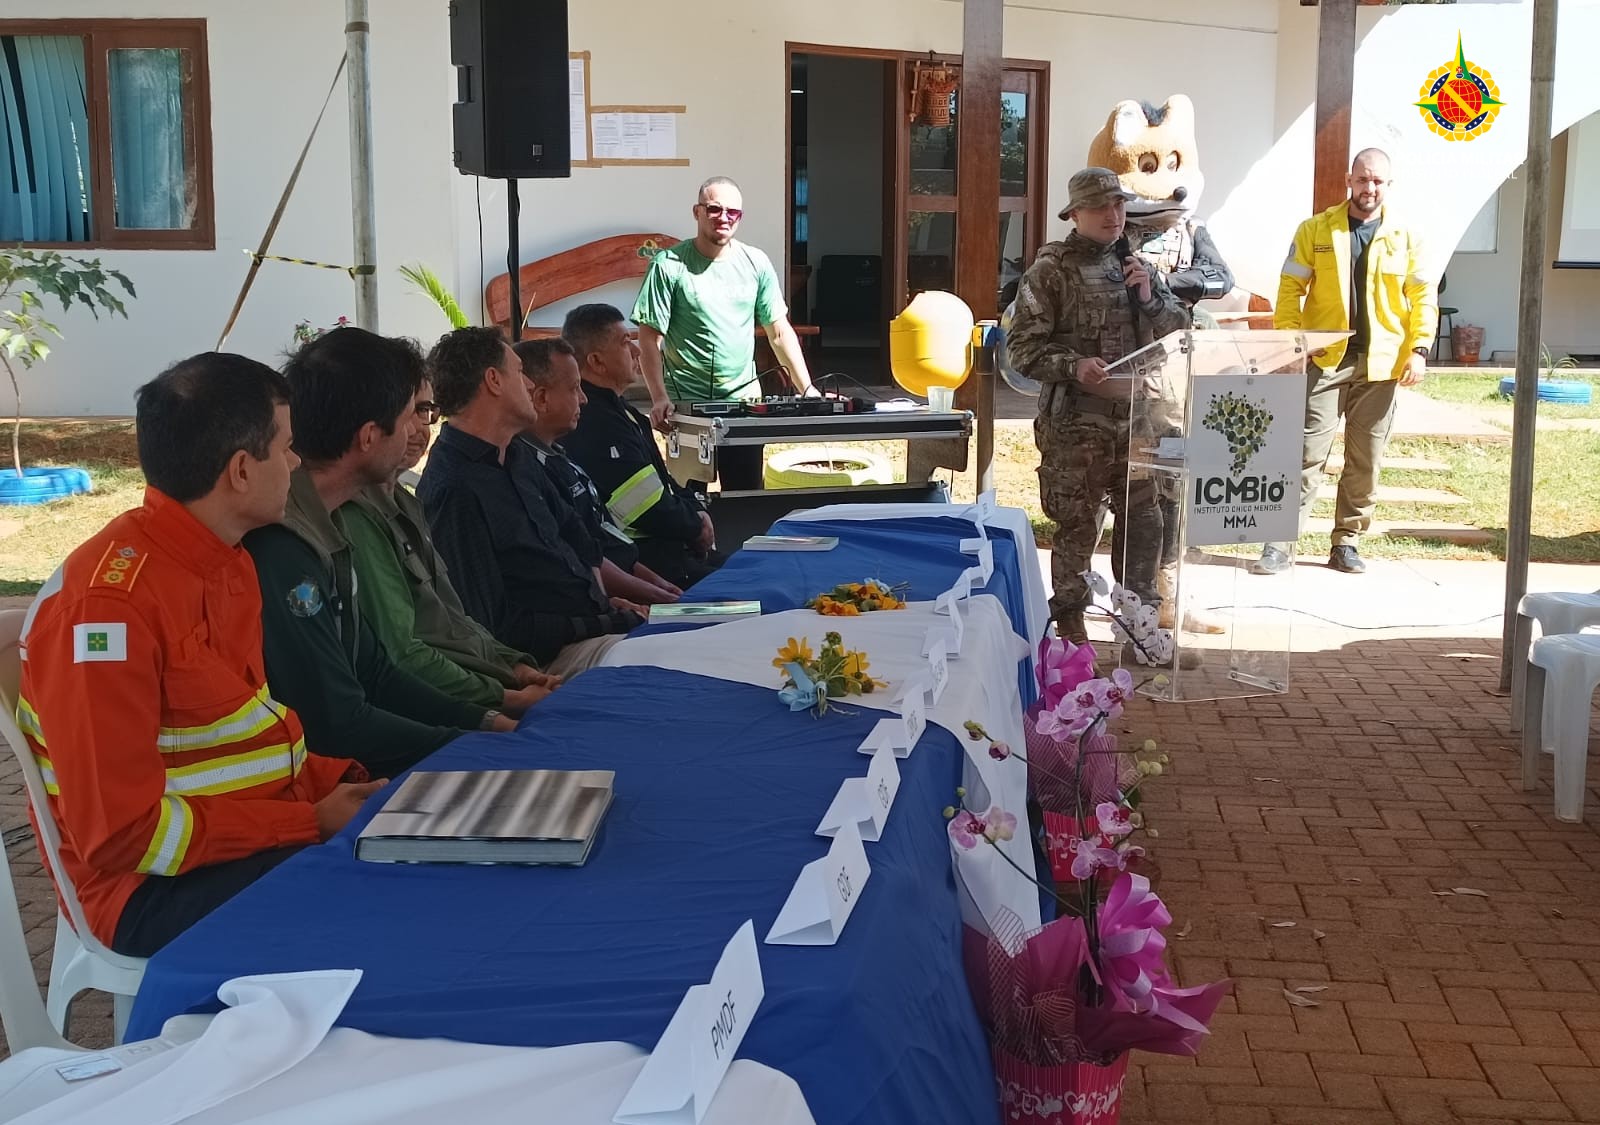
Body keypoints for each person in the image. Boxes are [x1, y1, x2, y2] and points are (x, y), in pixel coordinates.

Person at [15, 354, 384, 956]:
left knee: (411, 861)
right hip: (144, 891)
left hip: (238, 846)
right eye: (287, 448)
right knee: (376, 908)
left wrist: (349, 784)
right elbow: (121, 837)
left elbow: (247, 739)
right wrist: (307, 823)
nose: (295, 463)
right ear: (241, 469)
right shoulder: (106, 611)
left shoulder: (227, 562)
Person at [245, 328, 512, 783]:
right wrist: (477, 744)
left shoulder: (332, 521)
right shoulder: (285, 545)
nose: (418, 432)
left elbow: (377, 670)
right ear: (369, 436)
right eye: (412, 414)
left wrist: (489, 723)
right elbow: (336, 722)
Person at [1007, 166, 1190, 645]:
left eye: (1119, 205)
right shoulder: (1051, 271)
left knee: (1145, 521)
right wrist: (1074, 365)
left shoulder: (1138, 266)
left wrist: (1150, 297)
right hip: (1078, 426)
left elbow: (1181, 328)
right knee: (1077, 525)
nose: (1114, 215)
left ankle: (1141, 626)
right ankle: (1070, 630)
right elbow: (1022, 350)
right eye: (1101, 207)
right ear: (1076, 214)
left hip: (1140, 421)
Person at [418, 327, 643, 676]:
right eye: (520, 371)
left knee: (698, 635)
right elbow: (491, 625)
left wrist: (607, 606)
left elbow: (579, 543)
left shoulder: (518, 457)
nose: (527, 384)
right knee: (667, 661)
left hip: (595, 627)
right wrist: (601, 622)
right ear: (493, 380)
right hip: (540, 664)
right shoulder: (454, 487)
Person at [1255, 148, 1437, 576]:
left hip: (1382, 365)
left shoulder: (1406, 236)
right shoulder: (1316, 229)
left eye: (1378, 181)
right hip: (1326, 361)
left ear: (1388, 186)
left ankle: (1347, 541)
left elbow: (1423, 298)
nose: (1369, 188)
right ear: (1348, 179)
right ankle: (1280, 544)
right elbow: (1289, 288)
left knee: (1365, 458)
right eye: (1363, 179)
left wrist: (1419, 349)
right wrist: (1293, 341)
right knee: (1304, 453)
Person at [342, 375, 563, 714]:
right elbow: (406, 655)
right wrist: (504, 698)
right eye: (411, 412)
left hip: (497, 678)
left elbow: (456, 620)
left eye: (426, 411)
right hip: (457, 703)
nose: (418, 429)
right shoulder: (364, 515)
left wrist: (517, 669)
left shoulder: (406, 503)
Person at [631, 175, 816, 490]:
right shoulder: (668, 265)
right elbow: (649, 339)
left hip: (743, 405)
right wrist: (659, 398)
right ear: (697, 212)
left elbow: (779, 332)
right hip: (686, 407)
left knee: (745, 499)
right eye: (714, 209)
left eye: (733, 212)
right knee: (689, 505)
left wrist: (808, 390)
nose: (724, 218)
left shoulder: (755, 262)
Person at [561, 303, 725, 589]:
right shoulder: (595, 422)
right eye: (626, 343)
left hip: (671, 555)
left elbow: (664, 483)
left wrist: (695, 509)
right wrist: (695, 525)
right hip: (650, 565)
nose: (637, 352)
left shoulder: (621, 412)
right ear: (597, 361)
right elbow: (644, 506)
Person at [512, 338, 683, 606]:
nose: (583, 398)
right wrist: (654, 594)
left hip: (633, 576)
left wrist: (658, 586)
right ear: (542, 398)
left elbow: (602, 536)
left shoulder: (557, 458)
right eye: (574, 388)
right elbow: (583, 557)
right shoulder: (528, 469)